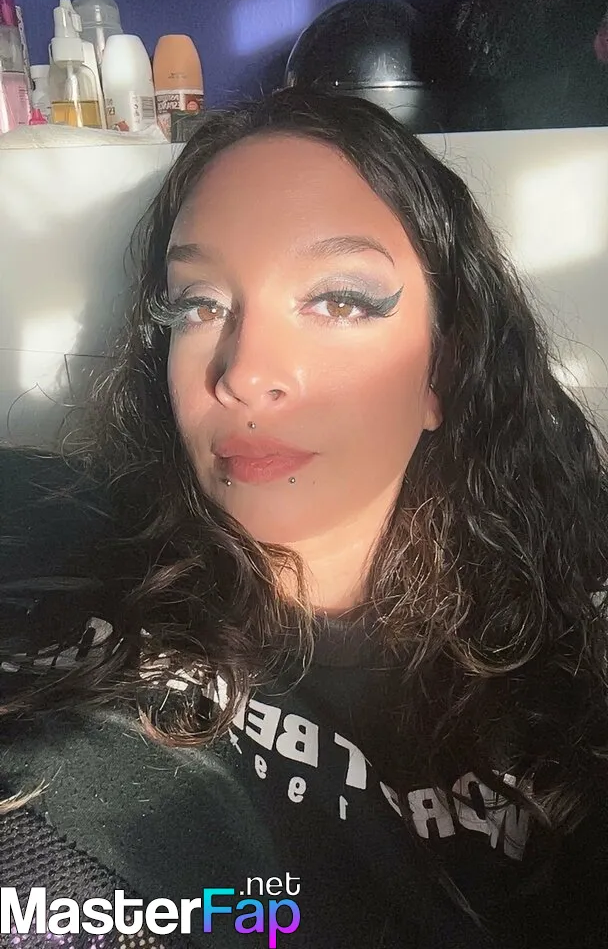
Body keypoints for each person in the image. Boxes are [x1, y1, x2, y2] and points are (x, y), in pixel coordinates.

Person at [1, 89, 608, 949]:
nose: (245, 373)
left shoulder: (577, 638)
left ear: (445, 369)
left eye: (339, 300)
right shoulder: (50, 552)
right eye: (199, 304)